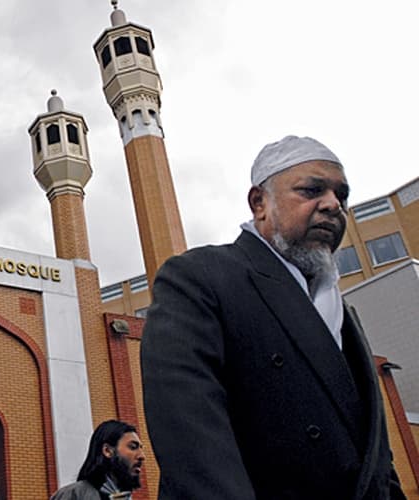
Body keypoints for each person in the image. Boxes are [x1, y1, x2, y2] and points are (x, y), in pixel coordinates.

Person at [141, 135, 406, 499]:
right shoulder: (201, 278)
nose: (332, 205)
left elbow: (374, 456)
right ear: (259, 203)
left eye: (341, 196)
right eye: (312, 190)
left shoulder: (342, 313)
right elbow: (191, 438)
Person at [50, 420, 145, 500]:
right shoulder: (73, 495)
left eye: (141, 448)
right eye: (133, 447)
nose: (142, 456)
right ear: (107, 451)